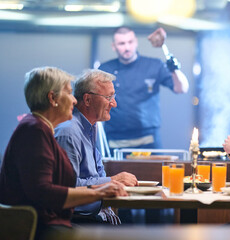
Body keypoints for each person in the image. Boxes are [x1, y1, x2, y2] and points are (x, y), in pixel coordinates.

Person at [0, 67, 127, 239]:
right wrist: (99, 192)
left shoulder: (39, 127)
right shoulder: (35, 130)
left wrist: (101, 189)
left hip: (47, 223)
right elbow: (44, 193)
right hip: (39, 228)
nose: (75, 100)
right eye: (69, 93)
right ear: (52, 98)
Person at [55, 69, 138, 224]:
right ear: (87, 100)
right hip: (77, 220)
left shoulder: (91, 127)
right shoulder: (69, 132)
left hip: (95, 212)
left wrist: (110, 182)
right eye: (109, 97)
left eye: (113, 96)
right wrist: (111, 181)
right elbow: (68, 187)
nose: (114, 103)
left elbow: (95, 176)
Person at [98, 27, 189, 150]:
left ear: (136, 42)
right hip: (115, 138)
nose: (127, 48)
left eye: (130, 42)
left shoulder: (155, 65)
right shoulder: (105, 69)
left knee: (154, 170)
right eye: (121, 43)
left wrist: (174, 69)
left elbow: (181, 88)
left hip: (148, 137)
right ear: (114, 46)